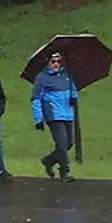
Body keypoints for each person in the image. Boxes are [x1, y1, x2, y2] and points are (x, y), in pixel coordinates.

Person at [31, 52, 79, 182]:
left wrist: (74, 96)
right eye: (53, 62)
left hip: (68, 114)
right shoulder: (41, 78)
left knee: (69, 143)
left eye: (58, 61)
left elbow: (73, 89)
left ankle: (48, 160)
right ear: (48, 63)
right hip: (54, 115)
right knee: (62, 144)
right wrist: (38, 118)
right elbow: (36, 99)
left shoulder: (66, 75)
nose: (56, 64)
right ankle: (65, 171)